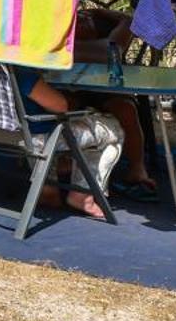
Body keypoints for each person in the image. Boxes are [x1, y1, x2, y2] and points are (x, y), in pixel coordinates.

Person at [70, 0, 163, 202]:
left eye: (87, 19)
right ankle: (63, 163)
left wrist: (102, 12)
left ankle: (137, 168)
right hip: (70, 89)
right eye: (80, 17)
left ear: (99, 31)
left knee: (126, 108)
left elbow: (126, 24)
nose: (83, 17)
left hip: (105, 89)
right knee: (65, 104)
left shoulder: (108, 47)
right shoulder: (64, 40)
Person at [13, 67, 124, 220]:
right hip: (34, 138)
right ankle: (82, 194)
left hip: (1, 132)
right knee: (113, 130)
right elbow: (60, 106)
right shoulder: (20, 71)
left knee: (52, 124)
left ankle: (47, 188)